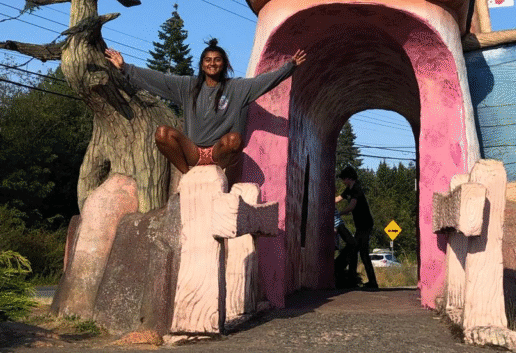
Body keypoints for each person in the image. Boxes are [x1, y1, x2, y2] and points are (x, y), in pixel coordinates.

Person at [104, 44, 306, 173]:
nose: (212, 64)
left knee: (234, 140)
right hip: (193, 152)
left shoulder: (237, 88)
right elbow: (160, 79)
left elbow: (264, 81)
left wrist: (290, 66)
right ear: (202, 65)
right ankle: (187, 175)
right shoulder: (187, 86)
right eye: (208, 60)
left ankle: (220, 173)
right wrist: (125, 68)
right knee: (163, 133)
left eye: (217, 60)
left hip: (219, 153)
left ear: (224, 64)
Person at [335, 164, 378, 290]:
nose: (343, 182)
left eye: (344, 179)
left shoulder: (356, 189)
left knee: (362, 252)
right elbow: (338, 198)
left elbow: (351, 206)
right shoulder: (349, 189)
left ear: (349, 178)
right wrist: (328, 202)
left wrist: (339, 213)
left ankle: (371, 282)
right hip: (360, 225)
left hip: (365, 224)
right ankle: (354, 279)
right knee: (355, 250)